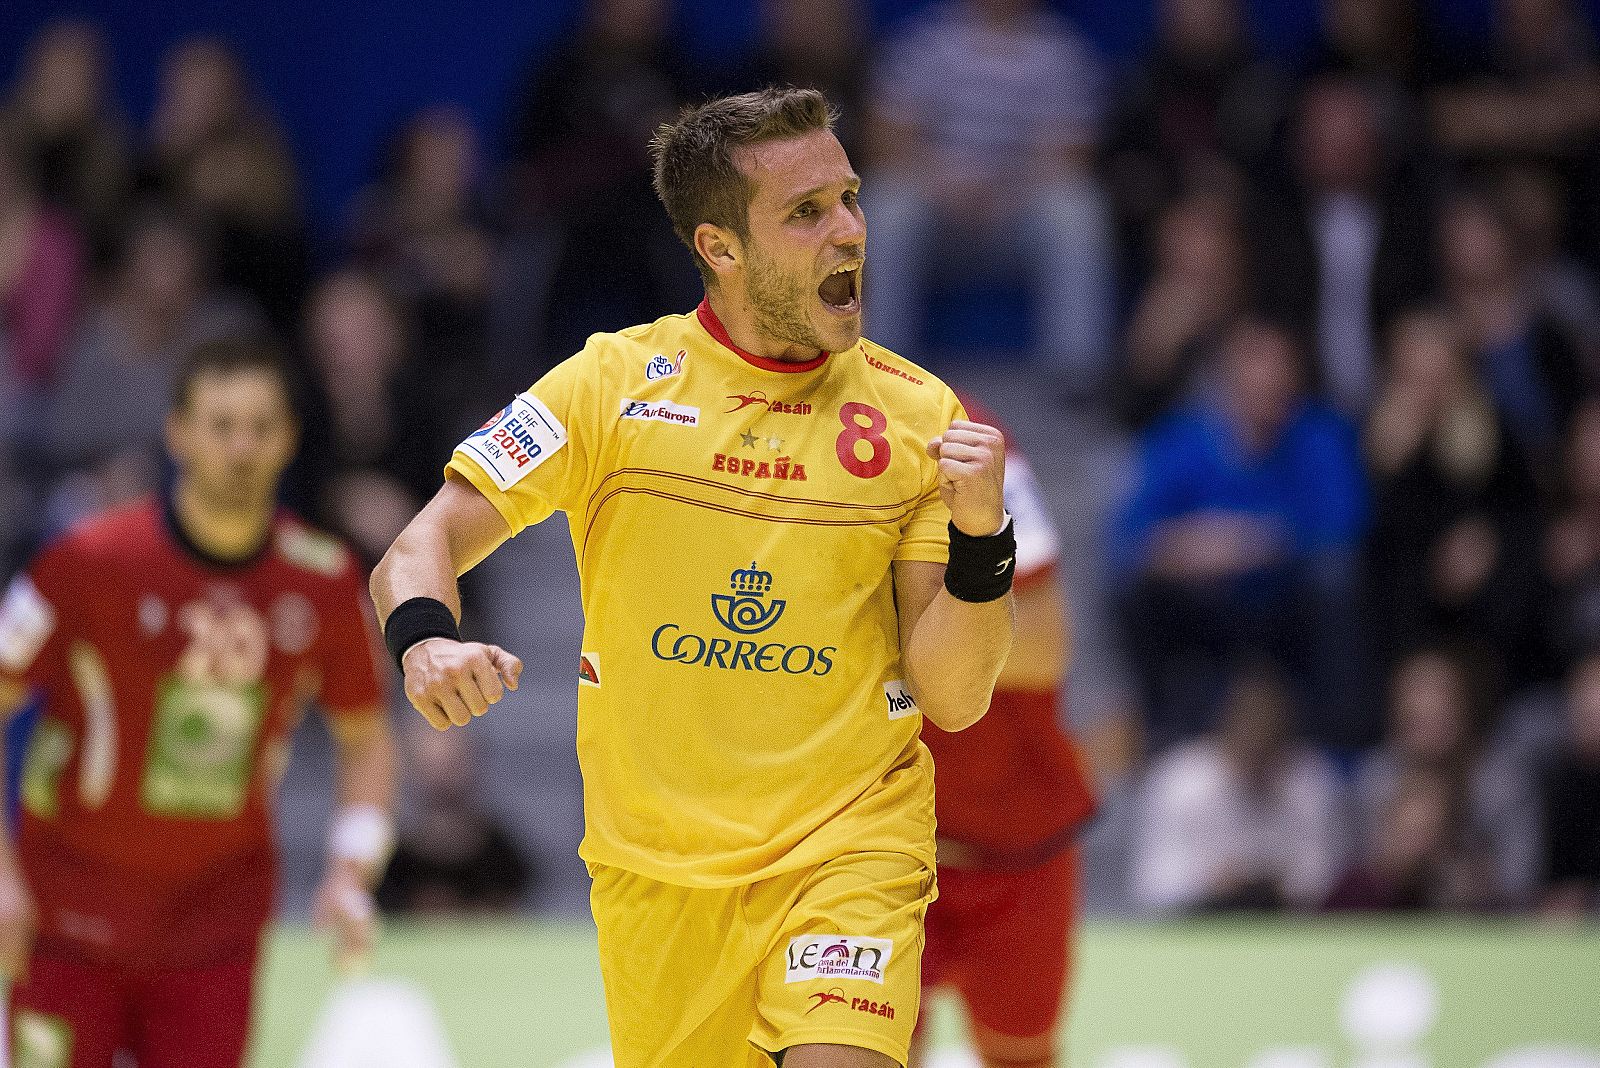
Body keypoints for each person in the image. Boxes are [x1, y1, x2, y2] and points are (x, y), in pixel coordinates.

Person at [372, 87, 1017, 1068]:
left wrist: (982, 541)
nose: (848, 230)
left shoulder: (916, 416)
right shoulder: (609, 386)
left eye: (848, 198)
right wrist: (424, 642)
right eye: (806, 213)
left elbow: (955, 696)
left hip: (850, 845)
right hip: (656, 874)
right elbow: (417, 549)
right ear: (720, 248)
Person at [0, 337, 397, 1068]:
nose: (240, 449)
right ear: (177, 432)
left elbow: (364, 734)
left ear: (289, 440)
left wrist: (351, 864)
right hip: (66, 920)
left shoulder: (322, 580)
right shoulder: (88, 562)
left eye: (259, 428)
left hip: (213, 932)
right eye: (220, 426)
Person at [915, 397, 1096, 1068]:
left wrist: (902, 624)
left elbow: (1047, 647)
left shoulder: (955, 431)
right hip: (877, 844)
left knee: (1022, 1057)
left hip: (1017, 837)